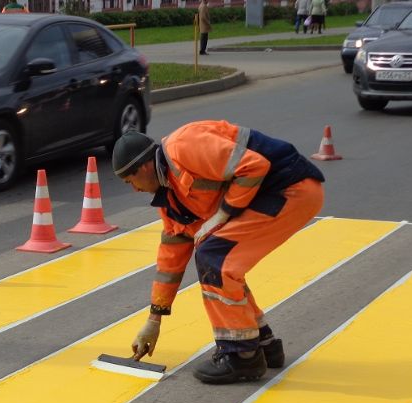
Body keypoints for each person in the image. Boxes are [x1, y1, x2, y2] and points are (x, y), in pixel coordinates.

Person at [111, 122, 325, 385]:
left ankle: (241, 355)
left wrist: (223, 214)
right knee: (223, 264)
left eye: (130, 180)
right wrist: (154, 319)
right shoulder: (171, 199)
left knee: (215, 258)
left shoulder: (182, 146)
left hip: (289, 189)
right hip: (277, 195)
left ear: (143, 167)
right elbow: (170, 261)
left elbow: (253, 166)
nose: (134, 189)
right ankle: (263, 343)